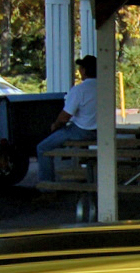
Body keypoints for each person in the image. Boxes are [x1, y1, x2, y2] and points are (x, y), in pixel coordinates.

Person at [36, 55, 100, 188]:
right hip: (101, 130)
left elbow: (65, 116)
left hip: (82, 130)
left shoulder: (79, 90)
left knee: (42, 148)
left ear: (84, 70)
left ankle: (47, 187)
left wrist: (56, 125)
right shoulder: (105, 88)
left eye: (81, 68)